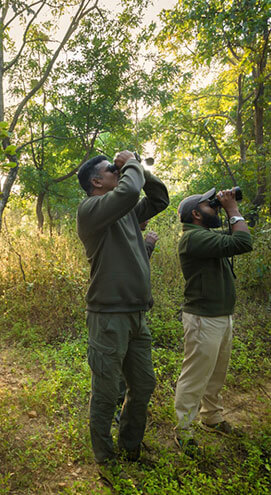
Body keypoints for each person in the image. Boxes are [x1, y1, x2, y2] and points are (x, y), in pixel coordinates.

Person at [76, 151, 169, 468]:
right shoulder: (90, 210)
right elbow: (130, 190)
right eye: (111, 170)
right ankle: (105, 457)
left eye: (118, 169)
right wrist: (129, 161)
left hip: (137, 316)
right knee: (105, 392)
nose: (118, 172)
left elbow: (160, 198)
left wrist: (138, 167)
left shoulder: (126, 212)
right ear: (96, 181)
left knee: (143, 385)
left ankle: (131, 448)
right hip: (108, 317)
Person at [174, 187, 252, 455]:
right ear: (196, 214)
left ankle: (212, 417)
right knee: (195, 375)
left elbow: (236, 236)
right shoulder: (193, 239)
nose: (216, 208)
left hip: (220, 316)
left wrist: (228, 209)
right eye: (211, 206)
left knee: (217, 373)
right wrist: (232, 209)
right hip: (203, 319)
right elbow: (243, 242)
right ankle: (183, 430)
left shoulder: (204, 235)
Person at [115, 221, 159, 423]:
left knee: (131, 365)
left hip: (134, 311)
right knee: (120, 362)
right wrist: (147, 245)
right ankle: (119, 405)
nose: (146, 220)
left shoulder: (130, 237)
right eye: (142, 215)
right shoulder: (119, 236)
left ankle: (124, 404)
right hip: (119, 311)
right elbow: (130, 264)